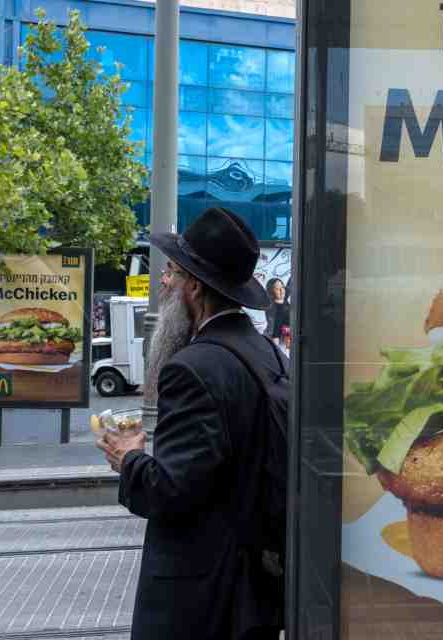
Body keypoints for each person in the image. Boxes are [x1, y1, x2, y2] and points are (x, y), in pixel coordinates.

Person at [95, 207, 285, 640]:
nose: (163, 283)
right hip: (255, 594)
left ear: (194, 289)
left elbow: (173, 491)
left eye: (172, 274)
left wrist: (129, 459)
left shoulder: (192, 368)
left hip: (201, 602)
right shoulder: (267, 353)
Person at [263, 277, 290, 346]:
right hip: (278, 339)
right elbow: (276, 327)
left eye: (282, 287)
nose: (281, 291)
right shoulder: (271, 308)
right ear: (271, 292)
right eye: (277, 289)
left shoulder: (284, 297)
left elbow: (290, 284)